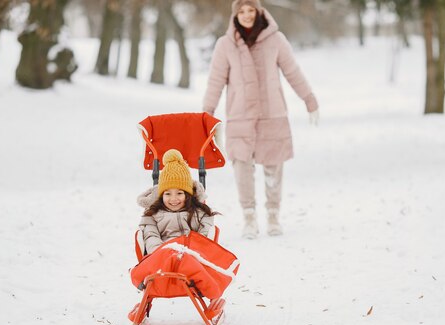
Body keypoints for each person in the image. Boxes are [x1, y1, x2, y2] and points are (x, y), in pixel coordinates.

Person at [203, 0, 319, 239]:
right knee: (241, 166)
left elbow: (292, 71)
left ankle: (273, 215)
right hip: (240, 115)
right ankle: (249, 217)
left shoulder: (276, 40)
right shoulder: (225, 45)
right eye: (241, 11)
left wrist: (309, 98)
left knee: (273, 167)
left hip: (271, 114)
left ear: (259, 12)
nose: (246, 15)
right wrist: (207, 114)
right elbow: (215, 81)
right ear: (235, 15)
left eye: (251, 10)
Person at [137, 149, 218, 255]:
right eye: (168, 194)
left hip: (193, 256)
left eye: (179, 193)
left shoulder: (200, 213)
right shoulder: (153, 215)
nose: (173, 199)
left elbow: (205, 233)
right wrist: (162, 252)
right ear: (161, 196)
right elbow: (151, 236)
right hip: (162, 257)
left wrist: (191, 251)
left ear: (188, 195)